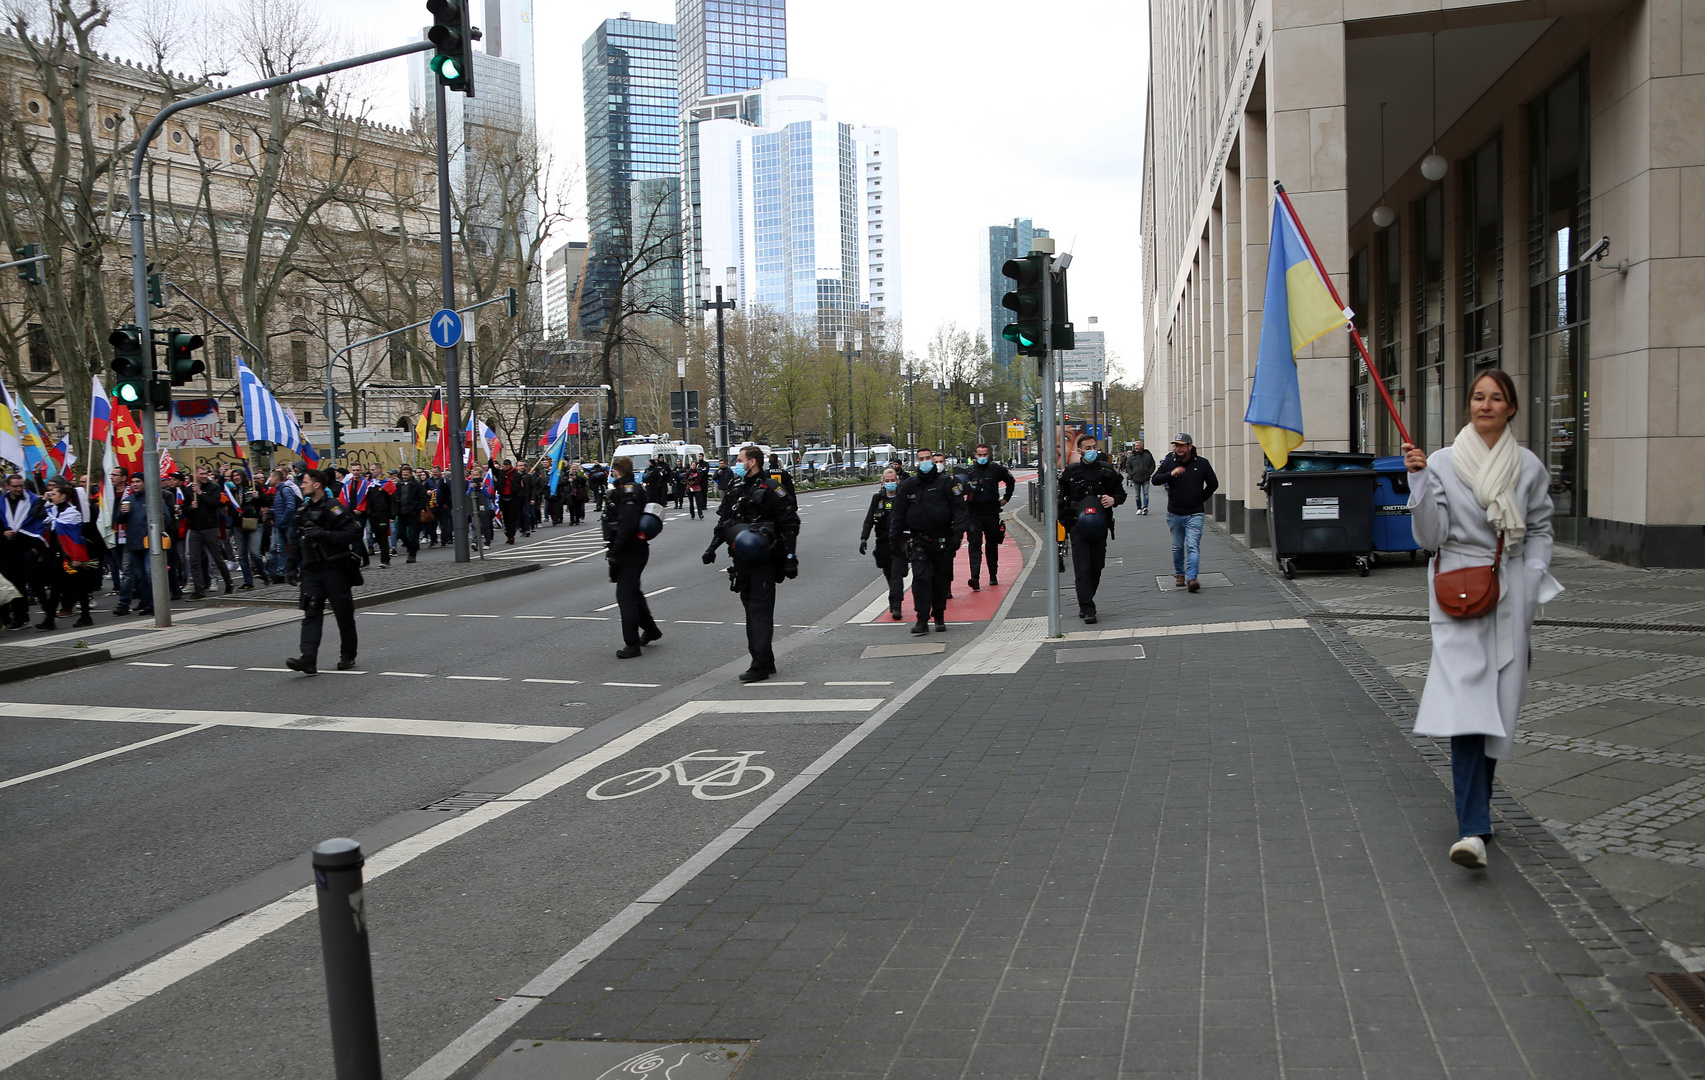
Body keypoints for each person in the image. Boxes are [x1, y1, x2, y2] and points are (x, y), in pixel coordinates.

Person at [1404, 369, 1559, 870]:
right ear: (1468, 404)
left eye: (1496, 398)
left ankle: (1479, 817)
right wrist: (1419, 483)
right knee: (1467, 709)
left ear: (1511, 408)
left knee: (1495, 709)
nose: (1485, 405)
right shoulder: (1444, 463)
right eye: (1477, 396)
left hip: (1510, 595)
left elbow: (1539, 529)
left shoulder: (1528, 467)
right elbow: (1430, 537)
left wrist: (1532, 578)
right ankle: (1471, 828)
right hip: (1457, 595)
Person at [703, 444, 800, 682]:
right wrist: (712, 547)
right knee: (750, 609)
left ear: (752, 462)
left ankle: (759, 666)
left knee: (759, 610)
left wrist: (790, 557)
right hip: (741, 559)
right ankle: (765, 659)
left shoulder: (772, 488)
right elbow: (725, 522)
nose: (737, 464)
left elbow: (790, 523)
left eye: (740, 460)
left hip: (765, 558)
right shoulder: (736, 488)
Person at [287, 468, 363, 675]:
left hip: (335, 569)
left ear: (317, 484)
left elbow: (353, 531)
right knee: (311, 613)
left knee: (343, 614)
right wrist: (291, 566)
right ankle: (308, 659)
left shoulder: (333, 508)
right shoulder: (303, 510)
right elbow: (295, 540)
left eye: (304, 482)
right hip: (312, 571)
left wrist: (324, 534)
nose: (302, 486)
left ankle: (348, 655)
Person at [889, 447, 970, 635]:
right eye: (921, 458)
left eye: (928, 458)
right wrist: (894, 537)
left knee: (940, 579)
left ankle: (939, 615)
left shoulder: (947, 483)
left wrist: (958, 534)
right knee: (921, 579)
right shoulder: (909, 485)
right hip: (918, 539)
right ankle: (922, 618)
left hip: (943, 538)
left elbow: (959, 509)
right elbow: (898, 512)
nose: (924, 461)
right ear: (917, 461)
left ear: (933, 460)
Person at [1058, 433, 1126, 623]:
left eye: (1094, 447)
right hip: (1077, 526)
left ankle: (1087, 597)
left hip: (1100, 525)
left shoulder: (1107, 471)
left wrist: (1113, 500)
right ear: (1079, 451)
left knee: (1097, 565)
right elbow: (1060, 500)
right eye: (1087, 448)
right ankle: (1087, 607)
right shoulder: (1070, 473)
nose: (1092, 451)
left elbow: (1120, 493)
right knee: (1082, 566)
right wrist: (1064, 524)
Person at [602, 456, 663, 658]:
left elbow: (627, 526)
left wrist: (615, 552)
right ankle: (651, 630)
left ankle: (632, 644)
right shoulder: (624, 490)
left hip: (630, 550)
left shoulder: (629, 491)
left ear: (616, 471)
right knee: (633, 592)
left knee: (625, 596)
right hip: (629, 548)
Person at [1152, 432, 1217, 593]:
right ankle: (1180, 574)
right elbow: (1155, 480)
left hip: (1195, 513)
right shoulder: (1169, 463)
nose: (1177, 448)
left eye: (1181, 445)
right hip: (1175, 513)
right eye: (1175, 445)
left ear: (1190, 446)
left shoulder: (1202, 463)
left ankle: (1192, 579)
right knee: (1177, 546)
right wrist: (1170, 474)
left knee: (1193, 546)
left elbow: (1213, 484)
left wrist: (1200, 498)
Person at [38, 479, 104, 630]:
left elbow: (73, 538)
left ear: (63, 496)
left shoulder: (72, 513)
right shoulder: (53, 510)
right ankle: (49, 619)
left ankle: (86, 616)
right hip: (56, 555)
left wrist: (76, 557)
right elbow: (40, 517)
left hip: (70, 556)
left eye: (54, 493)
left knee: (79, 587)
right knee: (55, 588)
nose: (51, 495)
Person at [961, 443, 1014, 591]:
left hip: (991, 512)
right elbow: (960, 489)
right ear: (975, 455)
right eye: (979, 455)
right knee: (974, 545)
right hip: (973, 513)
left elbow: (1010, 481)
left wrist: (1006, 498)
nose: (982, 457)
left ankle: (993, 575)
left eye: (985, 454)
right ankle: (975, 577)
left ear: (989, 454)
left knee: (992, 545)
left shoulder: (996, 469)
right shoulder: (969, 471)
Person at [860, 467, 908, 620]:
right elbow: (869, 520)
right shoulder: (878, 499)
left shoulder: (903, 497)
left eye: (892, 480)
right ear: (882, 483)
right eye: (887, 481)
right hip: (883, 542)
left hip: (900, 541)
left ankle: (896, 605)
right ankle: (893, 596)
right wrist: (863, 538)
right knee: (888, 572)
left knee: (897, 573)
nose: (890, 483)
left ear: (897, 481)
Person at [2, 473, 47, 629]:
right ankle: (20, 617)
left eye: (21, 485)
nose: (19, 489)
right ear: (7, 486)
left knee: (34, 583)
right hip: (8, 550)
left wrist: (36, 548)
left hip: (28, 548)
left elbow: (41, 524)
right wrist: (3, 533)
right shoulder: (1, 502)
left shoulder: (33, 501)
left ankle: (49, 615)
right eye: (15, 486)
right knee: (14, 585)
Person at [182, 465, 233, 600]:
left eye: (205, 473)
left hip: (210, 528)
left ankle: (229, 583)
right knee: (193, 560)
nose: (204, 476)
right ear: (195, 475)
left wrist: (200, 493)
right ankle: (199, 589)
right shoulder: (188, 490)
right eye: (201, 474)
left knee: (217, 558)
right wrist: (190, 508)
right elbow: (184, 509)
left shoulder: (213, 487)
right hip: (195, 529)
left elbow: (213, 504)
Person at [112, 473, 159, 617]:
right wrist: (121, 513)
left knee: (150, 573)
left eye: (138, 481)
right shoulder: (128, 500)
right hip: (133, 543)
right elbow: (118, 520)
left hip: (149, 543)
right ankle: (146, 602)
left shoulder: (153, 498)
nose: (135, 484)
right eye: (133, 482)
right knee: (139, 576)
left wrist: (150, 530)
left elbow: (165, 518)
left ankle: (155, 604)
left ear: (145, 483)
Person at [395, 464, 428, 562]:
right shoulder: (399, 485)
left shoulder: (417, 485)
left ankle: (412, 555)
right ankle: (410, 546)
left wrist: (416, 509)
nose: (404, 477)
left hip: (413, 513)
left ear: (411, 474)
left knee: (414, 535)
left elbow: (423, 499)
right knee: (400, 533)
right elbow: (396, 497)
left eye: (406, 475)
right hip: (402, 513)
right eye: (403, 475)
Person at [364, 465, 395, 568]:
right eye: (370, 470)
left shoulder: (386, 483)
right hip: (372, 515)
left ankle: (385, 560)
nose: (371, 471)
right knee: (377, 537)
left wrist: (392, 515)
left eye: (373, 470)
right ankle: (385, 558)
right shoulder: (369, 484)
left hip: (383, 514)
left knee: (383, 537)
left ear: (379, 470)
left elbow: (392, 500)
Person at [1128, 440, 1157, 514]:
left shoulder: (1147, 455)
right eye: (1136, 446)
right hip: (1136, 478)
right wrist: (1132, 474)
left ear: (1141, 446)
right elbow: (1128, 466)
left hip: (1145, 477)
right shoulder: (1132, 456)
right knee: (1137, 495)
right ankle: (1139, 508)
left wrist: (1149, 473)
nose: (1136, 447)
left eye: (1138, 446)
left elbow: (1152, 465)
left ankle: (1145, 507)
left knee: (1145, 494)